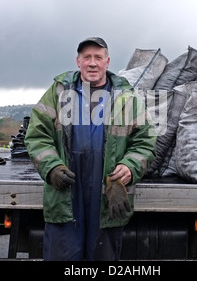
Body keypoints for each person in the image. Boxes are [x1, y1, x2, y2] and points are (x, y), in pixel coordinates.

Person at [24, 37, 156, 261]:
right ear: (78, 62)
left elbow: (146, 141)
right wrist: (52, 167)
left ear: (107, 62)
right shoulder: (59, 92)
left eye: (98, 57)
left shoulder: (127, 97)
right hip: (65, 193)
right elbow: (37, 136)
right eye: (87, 57)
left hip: (107, 196)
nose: (92, 63)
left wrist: (129, 166)